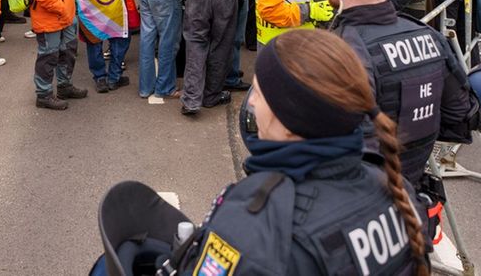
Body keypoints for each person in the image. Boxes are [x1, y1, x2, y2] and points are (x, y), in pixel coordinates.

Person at [161, 31, 431, 275]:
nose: (251, 102)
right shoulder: (394, 187)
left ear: (292, 119)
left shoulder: (256, 228)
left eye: (261, 93)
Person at [325, 0, 478, 257]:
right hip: (412, 198)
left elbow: (333, 145)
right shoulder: (429, 36)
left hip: (354, 213)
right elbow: (461, 115)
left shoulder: (341, 50)